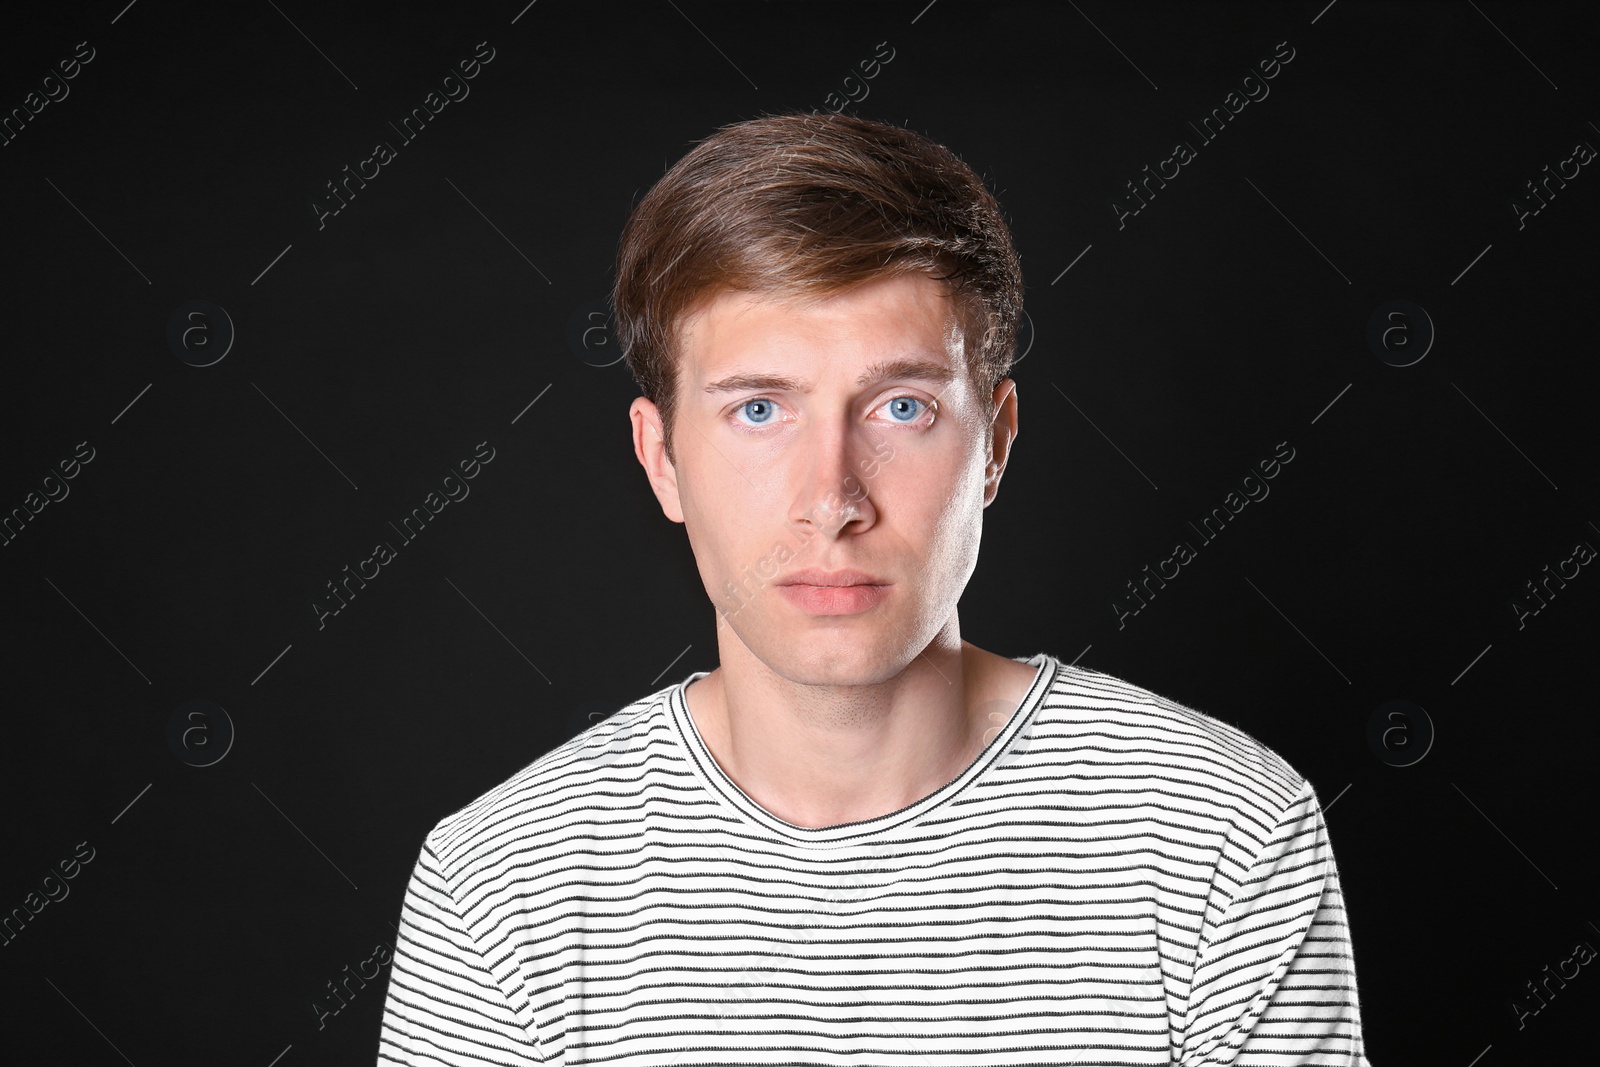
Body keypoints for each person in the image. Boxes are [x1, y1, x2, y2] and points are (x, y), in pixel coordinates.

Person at [376, 111, 1370, 1065]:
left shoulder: (1220, 834)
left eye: (900, 406)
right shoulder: (500, 886)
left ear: (995, 444)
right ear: (661, 458)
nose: (832, 499)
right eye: (759, 408)